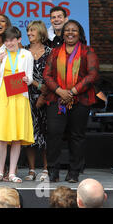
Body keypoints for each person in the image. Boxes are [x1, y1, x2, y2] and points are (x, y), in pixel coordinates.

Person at [43, 20, 99, 183]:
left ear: (79, 33)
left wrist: (72, 92)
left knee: (77, 136)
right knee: (54, 135)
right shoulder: (54, 52)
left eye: (74, 30)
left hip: (80, 100)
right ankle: (53, 171)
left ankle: (74, 172)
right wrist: (60, 91)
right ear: (62, 33)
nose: (70, 32)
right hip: (56, 99)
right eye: (67, 30)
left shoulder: (88, 52)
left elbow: (92, 75)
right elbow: (47, 75)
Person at [0, 26, 34, 183]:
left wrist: (28, 80)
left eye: (12, 40)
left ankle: (12, 172)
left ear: (19, 40)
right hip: (2, 96)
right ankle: (0, 172)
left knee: (16, 138)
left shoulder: (27, 54)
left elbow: (30, 77)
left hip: (19, 97)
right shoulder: (0, 53)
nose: (9, 43)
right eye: (6, 40)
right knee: (1, 137)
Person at [23, 21, 52, 182]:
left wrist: (41, 92)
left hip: (46, 98)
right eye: (28, 30)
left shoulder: (50, 52)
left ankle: (46, 169)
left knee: (45, 133)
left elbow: (53, 78)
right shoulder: (23, 51)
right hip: (25, 98)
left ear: (40, 32)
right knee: (30, 134)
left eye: (32, 30)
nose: (29, 33)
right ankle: (32, 169)